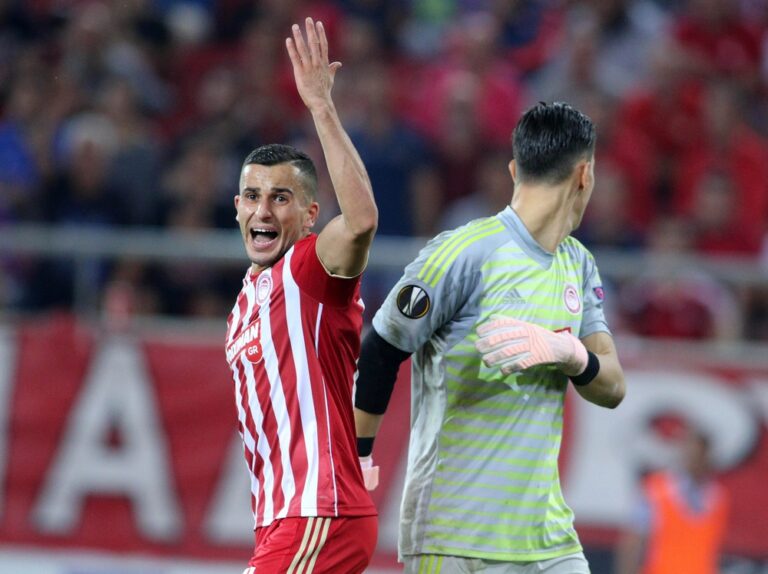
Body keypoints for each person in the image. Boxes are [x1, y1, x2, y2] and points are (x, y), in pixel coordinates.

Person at [354, 101, 626, 573]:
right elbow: (380, 349)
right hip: (455, 539)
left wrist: (572, 355)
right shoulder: (465, 253)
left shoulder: (578, 264)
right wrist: (356, 459)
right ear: (585, 175)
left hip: (547, 541)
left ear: (514, 169)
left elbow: (614, 387)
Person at [225, 18, 379, 574]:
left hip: (316, 513)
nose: (262, 210)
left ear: (310, 215)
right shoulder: (245, 301)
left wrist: (320, 107)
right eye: (251, 196)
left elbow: (360, 221)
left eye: (280, 197)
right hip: (282, 519)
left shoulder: (308, 268)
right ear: (237, 208)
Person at [614, 426, 730, 574]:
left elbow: (714, 549)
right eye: (690, 453)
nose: (694, 460)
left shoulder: (718, 498)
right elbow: (633, 543)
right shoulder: (656, 491)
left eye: (699, 454)